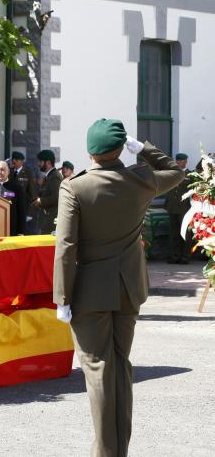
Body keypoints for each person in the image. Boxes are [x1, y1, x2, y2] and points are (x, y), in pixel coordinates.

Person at [53, 119, 183, 456]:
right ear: (119, 149)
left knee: (98, 369)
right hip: (128, 288)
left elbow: (66, 246)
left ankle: (107, 454)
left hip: (89, 293)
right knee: (121, 366)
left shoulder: (74, 187)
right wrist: (143, 149)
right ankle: (117, 450)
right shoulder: (140, 179)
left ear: (90, 152)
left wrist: (62, 298)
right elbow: (175, 171)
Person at [164, 153, 192, 264]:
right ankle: (175, 256)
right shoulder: (172, 173)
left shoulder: (190, 174)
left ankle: (185, 257)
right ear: (176, 161)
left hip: (184, 208)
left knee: (185, 233)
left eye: (184, 160)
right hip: (172, 206)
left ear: (186, 161)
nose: (182, 162)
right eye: (179, 160)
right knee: (174, 233)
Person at [9, 151, 38, 234]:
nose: (14, 161)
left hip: (23, 209)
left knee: (22, 233)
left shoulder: (28, 174)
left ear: (22, 161)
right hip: (11, 208)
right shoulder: (9, 172)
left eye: (17, 160)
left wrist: (29, 213)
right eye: (13, 159)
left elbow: (33, 194)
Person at [34, 149, 62, 234]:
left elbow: (56, 197)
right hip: (45, 221)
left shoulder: (55, 176)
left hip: (50, 222)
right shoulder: (48, 176)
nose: (38, 164)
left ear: (48, 162)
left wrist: (40, 201)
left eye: (40, 162)